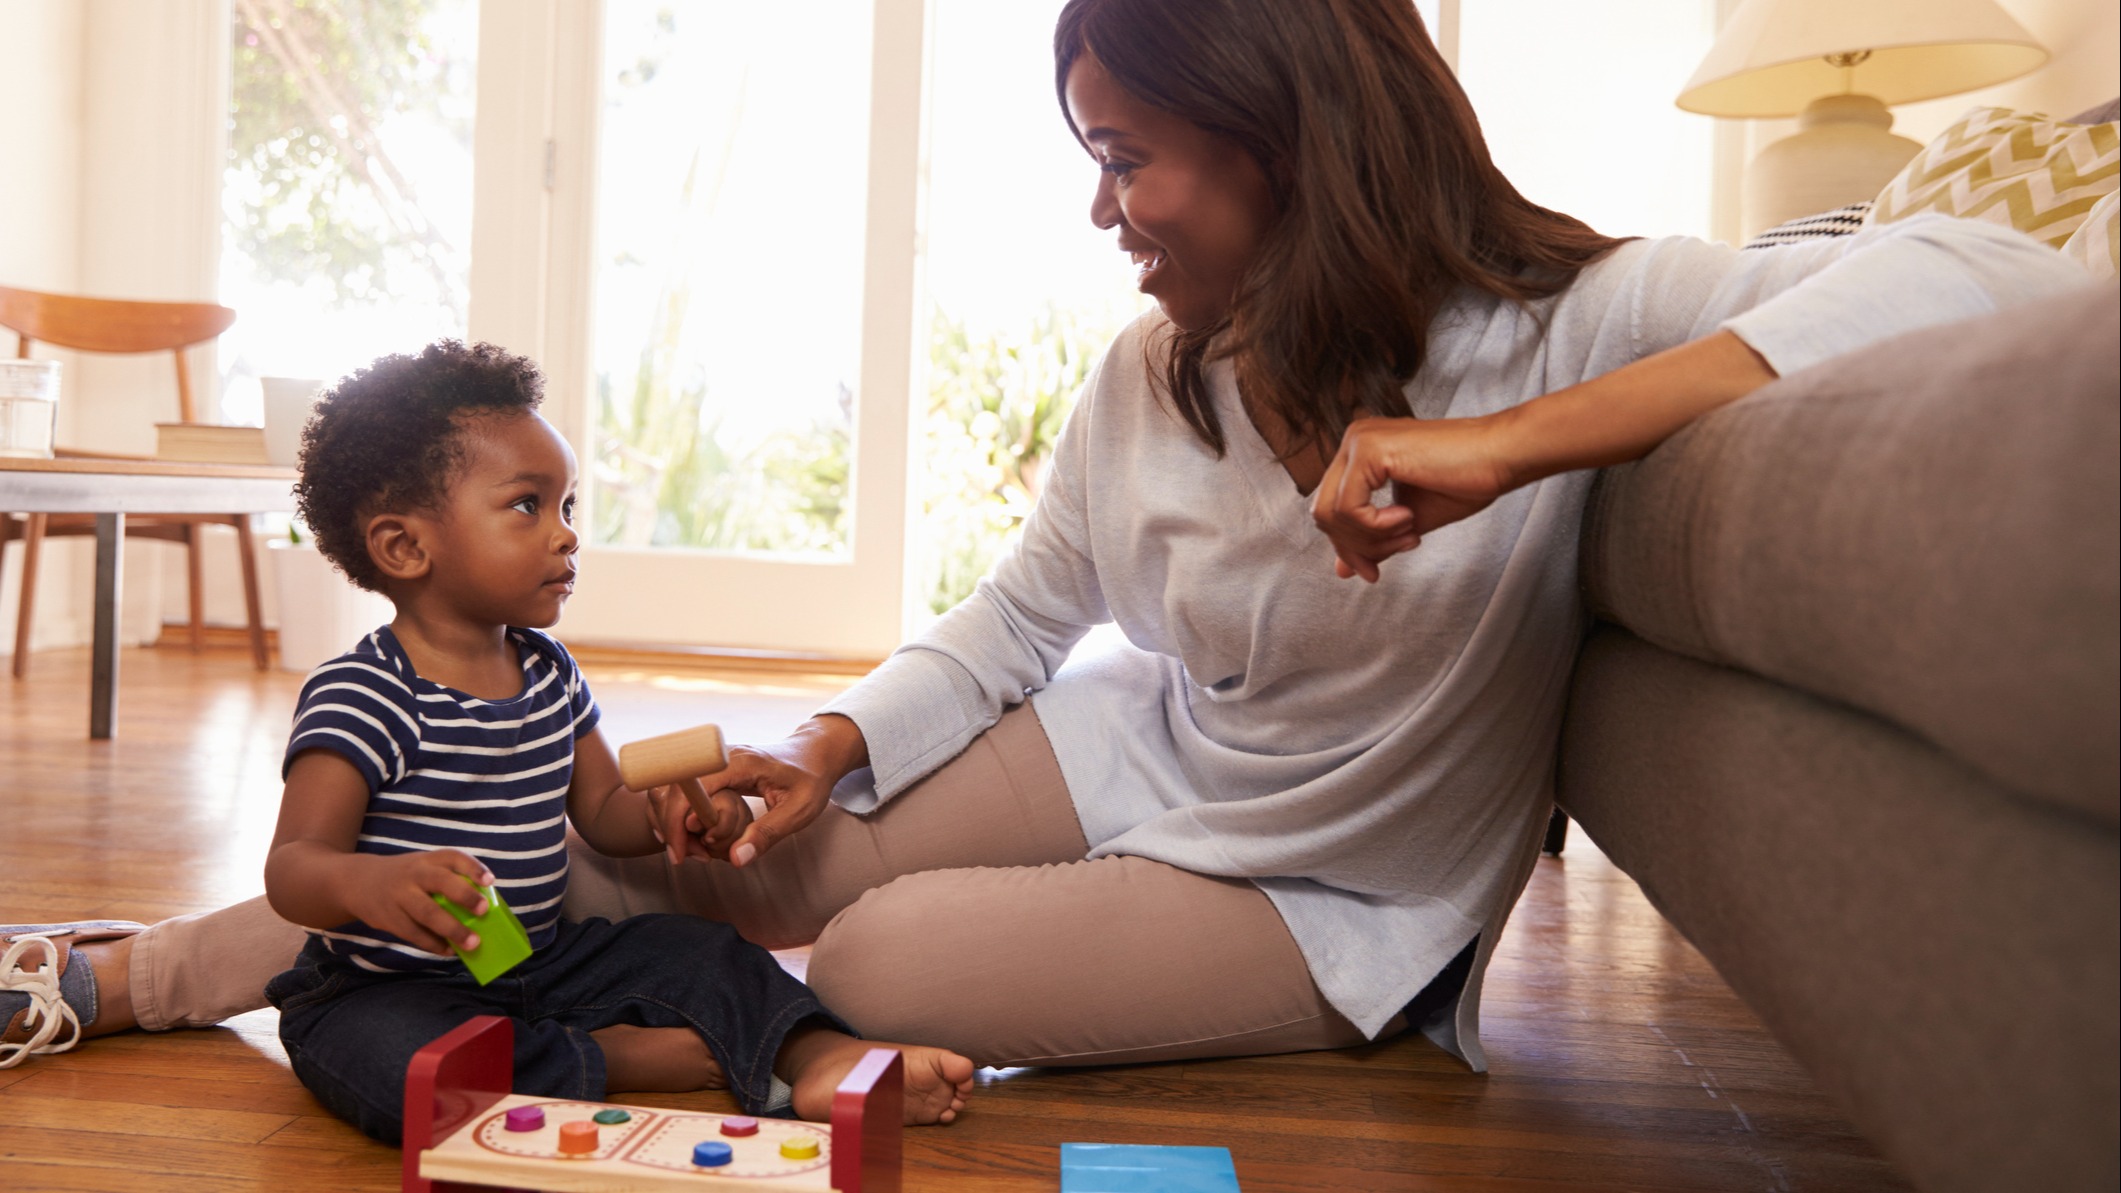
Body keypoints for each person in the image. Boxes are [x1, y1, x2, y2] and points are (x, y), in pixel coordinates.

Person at [3, 0, 2082, 1080]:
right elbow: (1017, 617)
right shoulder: (1149, 368)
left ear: (1286, 128)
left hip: (1335, 885)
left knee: (885, 959)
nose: (1108, 207)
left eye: (1130, 156)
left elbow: (1970, 270)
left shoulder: (1563, 324)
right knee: (657, 834)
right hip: (1137, 748)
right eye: (1095, 159)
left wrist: (1511, 448)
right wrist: (824, 740)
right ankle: (135, 974)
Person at [0, 341, 976, 1136]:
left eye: (568, 506)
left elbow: (601, 811)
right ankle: (649, 1056)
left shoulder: (550, 673)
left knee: (698, 946)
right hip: (382, 985)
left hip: (528, 954)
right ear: (404, 546)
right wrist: (372, 884)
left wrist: (673, 810)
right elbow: (296, 867)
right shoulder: (361, 694)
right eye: (528, 505)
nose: (566, 534)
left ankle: (814, 1054)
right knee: (402, 1076)